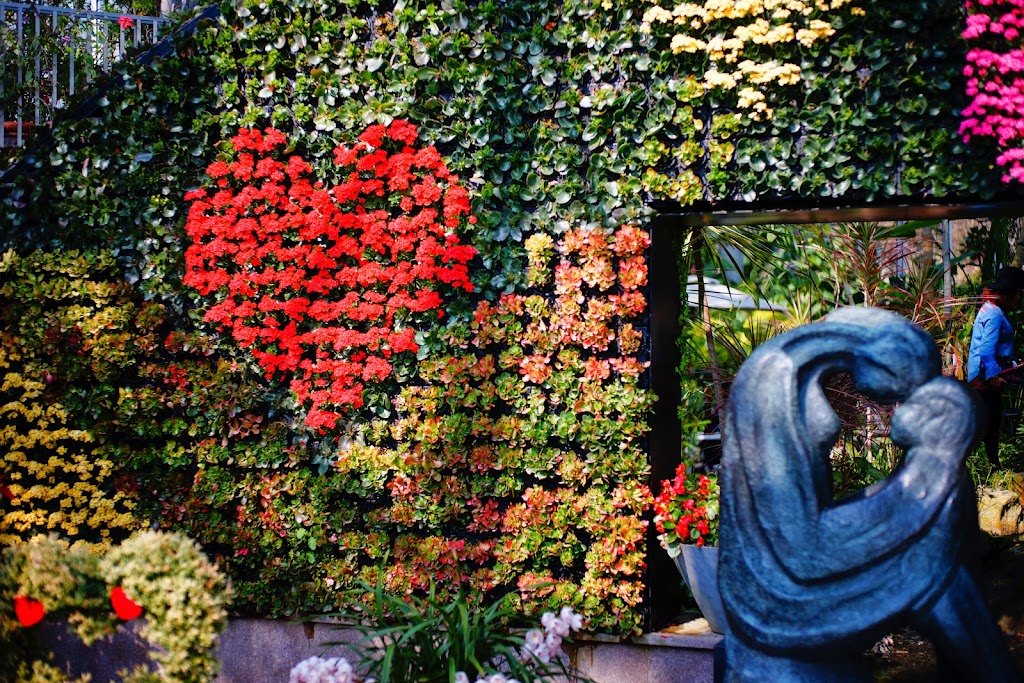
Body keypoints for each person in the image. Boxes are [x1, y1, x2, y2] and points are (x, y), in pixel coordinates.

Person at [966, 265, 1024, 468]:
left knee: (988, 425)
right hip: (985, 379)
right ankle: (990, 468)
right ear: (1009, 294)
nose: (1020, 298)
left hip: (981, 376)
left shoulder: (988, 309)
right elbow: (986, 350)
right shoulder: (996, 315)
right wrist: (993, 377)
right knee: (989, 426)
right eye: (1019, 293)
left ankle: (992, 468)